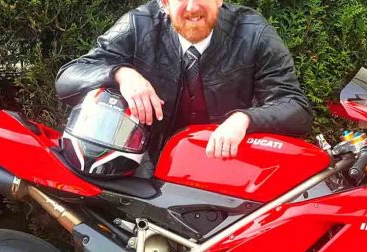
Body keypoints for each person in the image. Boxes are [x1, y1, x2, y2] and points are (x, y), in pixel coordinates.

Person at [55, 0, 312, 175]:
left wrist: (244, 119)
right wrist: (120, 74)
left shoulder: (255, 32)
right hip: (148, 164)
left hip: (228, 167)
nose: (191, 7)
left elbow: (297, 109)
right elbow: (67, 79)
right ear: (164, 4)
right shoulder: (139, 23)